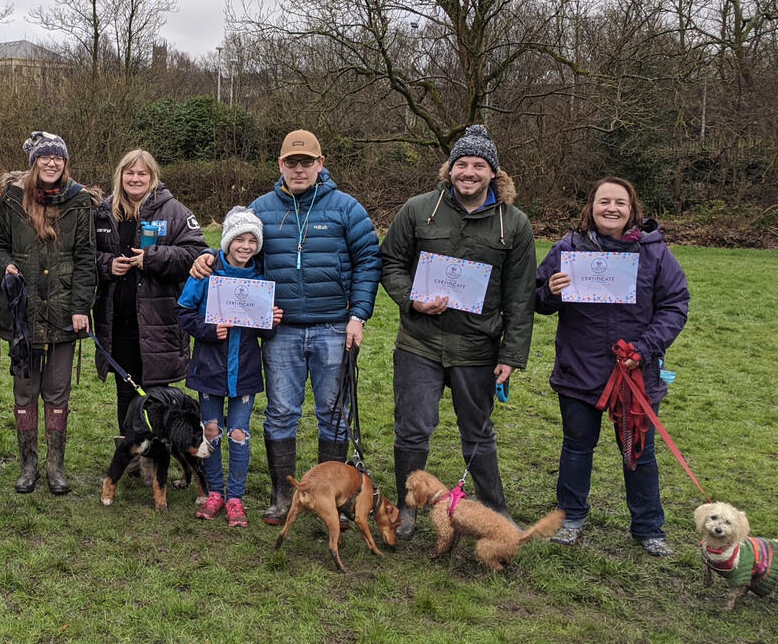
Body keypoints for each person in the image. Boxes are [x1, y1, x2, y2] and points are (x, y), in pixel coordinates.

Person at [190, 129, 382, 525]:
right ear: (280, 165)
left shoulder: (347, 209)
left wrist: (358, 315)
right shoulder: (261, 208)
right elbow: (234, 244)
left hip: (333, 327)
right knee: (281, 413)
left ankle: (335, 497)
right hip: (280, 331)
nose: (299, 169)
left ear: (320, 164)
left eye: (306, 162)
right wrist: (208, 256)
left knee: (332, 413)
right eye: (291, 163)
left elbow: (368, 261)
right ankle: (282, 495)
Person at [379, 124, 535, 539]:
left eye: (479, 165)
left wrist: (511, 355)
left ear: (494, 174)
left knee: (479, 432)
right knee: (411, 430)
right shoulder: (418, 210)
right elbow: (390, 262)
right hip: (419, 342)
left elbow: (521, 296)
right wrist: (411, 298)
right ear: (449, 169)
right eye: (461, 164)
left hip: (478, 347)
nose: (469, 172)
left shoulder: (514, 225)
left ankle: (495, 510)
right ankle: (407, 508)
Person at [535, 176, 689, 557]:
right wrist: (549, 292)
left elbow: (675, 305)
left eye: (620, 203)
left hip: (635, 372)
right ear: (591, 206)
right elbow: (536, 299)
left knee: (638, 453)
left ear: (632, 209)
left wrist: (645, 348)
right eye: (604, 201)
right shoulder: (567, 249)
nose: (611, 209)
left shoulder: (655, 253)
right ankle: (569, 518)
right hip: (579, 369)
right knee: (576, 448)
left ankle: (648, 528)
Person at [0, 131, 96, 495]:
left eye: (59, 158)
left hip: (64, 311)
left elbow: (85, 260)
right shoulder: (12, 200)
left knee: (57, 391)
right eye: (45, 157)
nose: (52, 163)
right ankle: (28, 464)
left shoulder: (80, 202)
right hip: (24, 313)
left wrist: (81, 307)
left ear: (65, 163)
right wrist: (6, 266)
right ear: (34, 162)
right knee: (25, 390)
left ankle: (56, 466)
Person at [177, 207, 282, 527]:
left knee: (239, 434)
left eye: (253, 240)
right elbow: (183, 312)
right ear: (227, 241)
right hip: (209, 368)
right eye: (240, 239)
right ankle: (214, 493)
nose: (246, 246)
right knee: (212, 432)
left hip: (245, 371)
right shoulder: (206, 271)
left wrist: (272, 322)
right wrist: (209, 330)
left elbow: (264, 328)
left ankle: (235, 497)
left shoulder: (262, 276)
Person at [93, 149, 207, 433]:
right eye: (129, 172)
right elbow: (84, 257)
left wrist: (152, 258)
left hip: (160, 322)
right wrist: (107, 265)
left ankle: (158, 458)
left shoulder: (175, 211)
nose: (135, 178)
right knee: (126, 391)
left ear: (153, 177)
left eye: (142, 173)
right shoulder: (104, 213)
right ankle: (131, 453)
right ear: (120, 176)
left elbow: (197, 254)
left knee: (158, 394)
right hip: (118, 322)